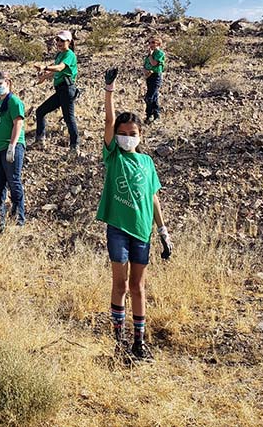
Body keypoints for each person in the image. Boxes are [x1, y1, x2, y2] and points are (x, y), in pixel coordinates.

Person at [97, 68, 172, 362]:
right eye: (122, 134)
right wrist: (109, 91)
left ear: (140, 136)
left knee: (138, 286)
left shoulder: (147, 162)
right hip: (118, 228)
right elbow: (107, 121)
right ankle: (119, 343)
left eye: (133, 134)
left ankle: (139, 343)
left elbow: (153, 196)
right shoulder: (113, 156)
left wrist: (163, 231)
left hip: (143, 231)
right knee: (120, 284)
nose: (127, 138)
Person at [0, 70, 26, 234]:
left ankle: (18, 219)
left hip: (10, 148)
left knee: (13, 181)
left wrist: (12, 145)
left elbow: (18, 123)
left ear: (8, 83)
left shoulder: (14, 102)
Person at [33, 30, 79, 153]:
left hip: (67, 89)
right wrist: (44, 77)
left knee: (68, 118)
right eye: (57, 40)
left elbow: (60, 68)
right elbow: (55, 71)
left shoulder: (69, 54)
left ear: (69, 42)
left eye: (62, 40)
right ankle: (40, 141)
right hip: (60, 90)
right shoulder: (59, 55)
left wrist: (45, 67)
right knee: (40, 111)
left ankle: (75, 146)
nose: (59, 42)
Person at [142, 35, 166, 124]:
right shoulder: (149, 54)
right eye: (149, 42)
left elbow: (153, 63)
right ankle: (155, 115)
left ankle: (150, 114)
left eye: (153, 42)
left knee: (149, 97)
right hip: (149, 76)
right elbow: (145, 65)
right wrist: (145, 71)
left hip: (156, 76)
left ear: (158, 44)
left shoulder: (160, 54)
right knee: (154, 97)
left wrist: (151, 55)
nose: (150, 44)